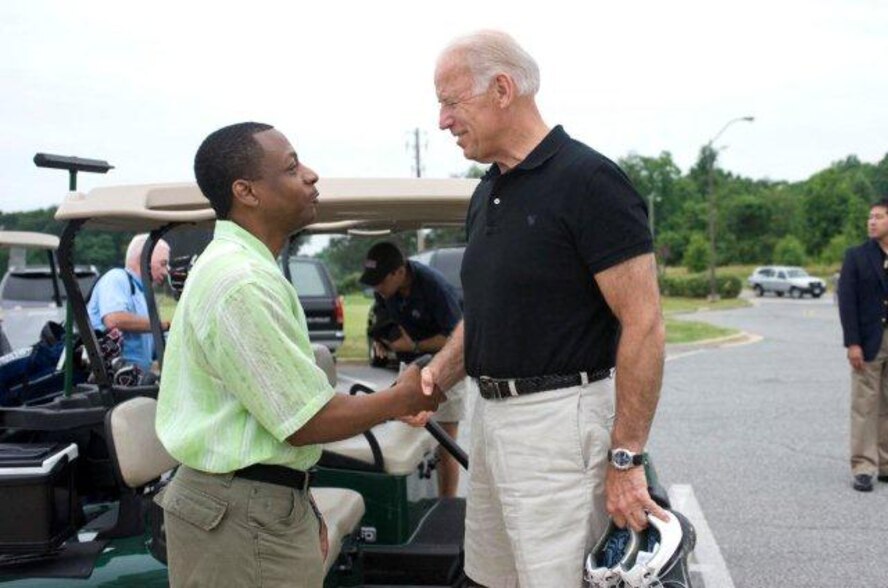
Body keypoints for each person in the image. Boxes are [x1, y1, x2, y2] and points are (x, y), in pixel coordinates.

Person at [406, 30, 668, 586]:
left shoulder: (590, 181)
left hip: (560, 426)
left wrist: (626, 460)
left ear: (502, 89)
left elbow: (642, 322)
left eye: (451, 103)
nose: (443, 121)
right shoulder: (487, 192)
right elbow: (484, 314)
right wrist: (431, 381)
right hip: (491, 419)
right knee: (489, 576)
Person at [154, 122, 442, 588]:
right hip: (241, 515)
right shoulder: (240, 282)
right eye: (291, 167)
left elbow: (276, 430)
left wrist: (298, 501)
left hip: (252, 503)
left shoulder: (245, 269)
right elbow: (306, 420)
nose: (310, 175)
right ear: (246, 191)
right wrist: (401, 398)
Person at [360, 241, 465, 498]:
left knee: (445, 444)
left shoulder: (434, 288)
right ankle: (411, 501)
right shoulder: (384, 291)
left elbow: (457, 337)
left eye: (380, 281)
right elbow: (384, 319)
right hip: (410, 367)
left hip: (445, 366)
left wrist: (415, 344)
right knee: (407, 433)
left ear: (399, 272)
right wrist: (381, 340)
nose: (377, 288)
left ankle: (446, 503)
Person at [838, 198, 888, 493]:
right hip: (868, 341)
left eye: (879, 217)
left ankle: (884, 463)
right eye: (870, 217)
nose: (872, 221)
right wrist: (852, 342)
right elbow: (847, 302)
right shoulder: (856, 256)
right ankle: (863, 466)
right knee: (865, 405)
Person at [86, 233, 170, 370]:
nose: (166, 272)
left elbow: (157, 349)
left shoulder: (143, 294)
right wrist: (165, 325)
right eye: (163, 264)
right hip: (112, 379)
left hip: (135, 379)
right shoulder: (116, 278)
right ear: (144, 258)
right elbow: (114, 320)